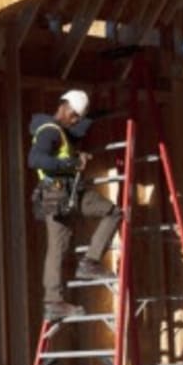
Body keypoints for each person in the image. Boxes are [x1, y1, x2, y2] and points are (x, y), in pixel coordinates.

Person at [28, 89, 121, 321]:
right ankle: (90, 263)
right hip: (62, 192)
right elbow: (35, 159)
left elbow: (69, 143)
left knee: (57, 247)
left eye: (79, 117)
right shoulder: (50, 132)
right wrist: (71, 162)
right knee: (113, 212)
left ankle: (53, 301)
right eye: (75, 115)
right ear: (64, 107)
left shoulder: (59, 130)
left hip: (58, 195)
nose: (76, 120)